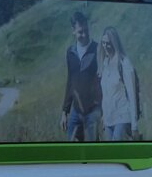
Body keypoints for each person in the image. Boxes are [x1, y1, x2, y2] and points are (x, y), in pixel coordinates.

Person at [59, 11, 102, 141]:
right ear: (73, 31)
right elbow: (70, 82)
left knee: (92, 151)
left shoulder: (97, 49)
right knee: (71, 148)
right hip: (75, 111)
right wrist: (64, 112)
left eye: (86, 30)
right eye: (80, 32)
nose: (84, 34)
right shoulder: (70, 52)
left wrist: (103, 110)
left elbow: (103, 81)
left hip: (93, 111)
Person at [97, 26, 138, 140]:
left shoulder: (124, 63)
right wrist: (104, 116)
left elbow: (132, 94)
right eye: (103, 43)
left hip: (122, 116)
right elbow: (105, 94)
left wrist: (134, 126)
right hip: (108, 120)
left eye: (108, 43)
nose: (105, 46)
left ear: (114, 43)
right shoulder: (104, 64)